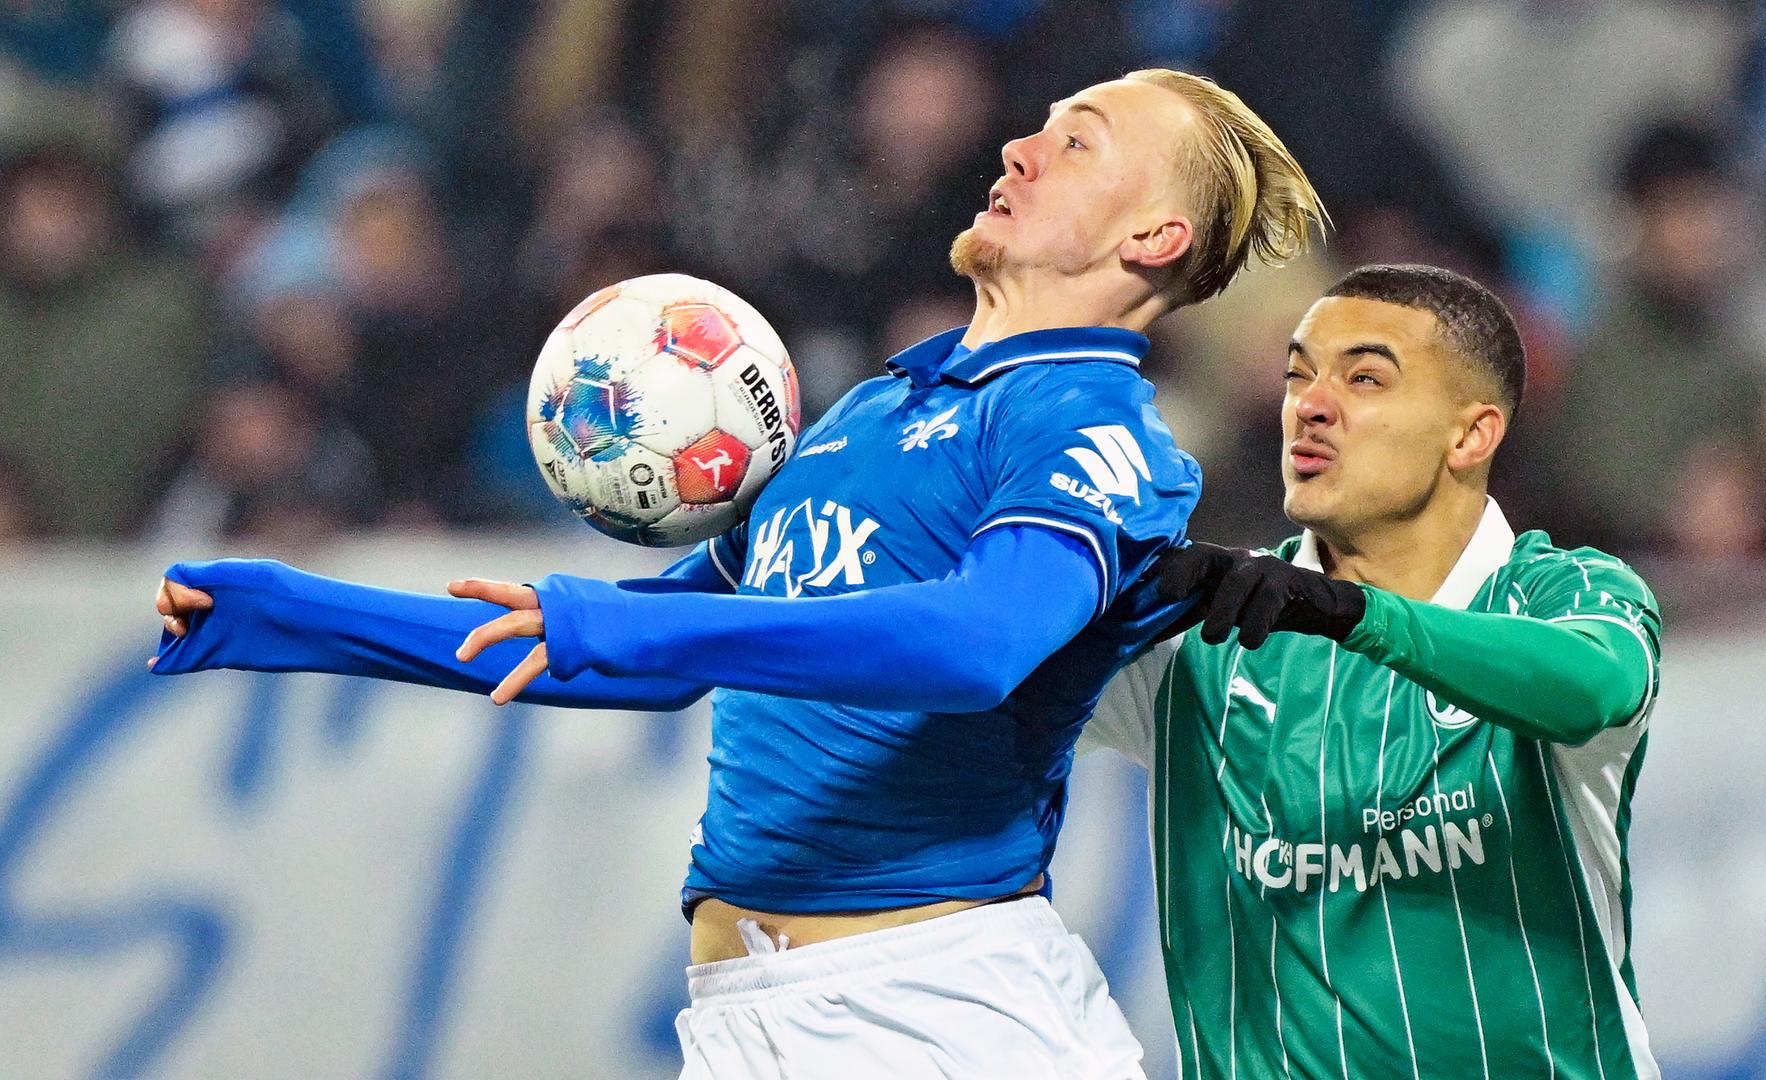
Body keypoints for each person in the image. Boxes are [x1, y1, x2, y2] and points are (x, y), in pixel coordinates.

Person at [149, 69, 1325, 1076]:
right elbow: (626, 646)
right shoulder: (873, 410)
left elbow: (977, 647)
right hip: (746, 1016)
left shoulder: (1091, 424)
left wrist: (649, 636)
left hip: (944, 1012)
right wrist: (281, 611)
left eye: (1077, 144)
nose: (1021, 145)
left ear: (1153, 238)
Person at [1091, 264, 1664, 1079]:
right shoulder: (1204, 634)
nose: (1311, 406)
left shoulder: (1562, 592)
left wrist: (1357, 616)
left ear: (1471, 435)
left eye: (1364, 378)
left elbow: (1596, 688)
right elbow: (960, 699)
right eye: (1298, 376)